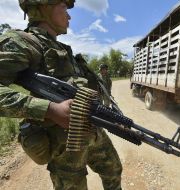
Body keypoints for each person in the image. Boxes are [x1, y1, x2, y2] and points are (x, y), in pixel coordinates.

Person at [0, 1, 122, 189]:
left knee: (113, 171)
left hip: (91, 131)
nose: (70, 16)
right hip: (64, 144)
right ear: (43, 7)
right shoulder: (22, 42)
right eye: (64, 8)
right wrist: (51, 110)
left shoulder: (63, 49)